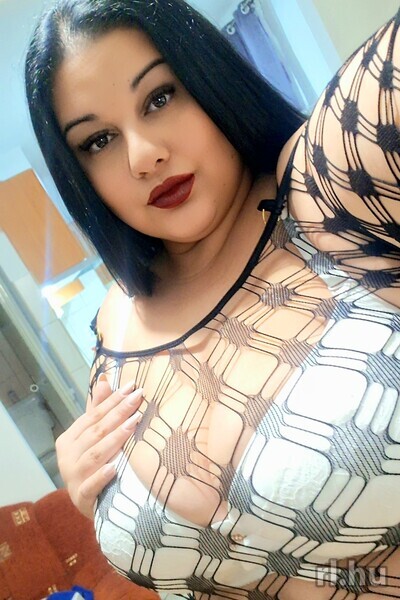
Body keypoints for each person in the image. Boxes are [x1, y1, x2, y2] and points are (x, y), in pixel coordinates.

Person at [25, 0, 400, 598]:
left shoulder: (328, 192)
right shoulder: (114, 320)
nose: (143, 155)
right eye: (98, 140)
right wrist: (93, 490)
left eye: (159, 97)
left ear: (209, 77)